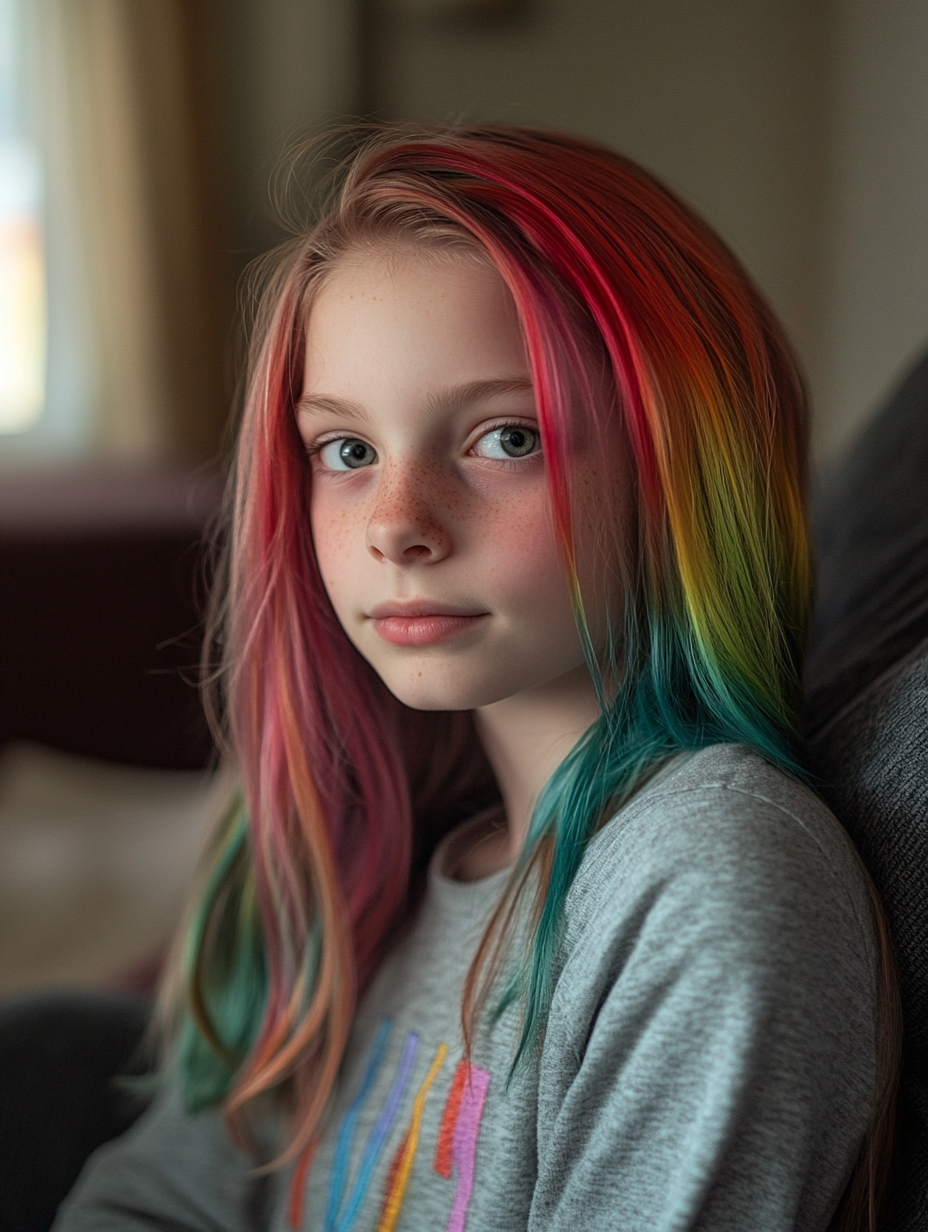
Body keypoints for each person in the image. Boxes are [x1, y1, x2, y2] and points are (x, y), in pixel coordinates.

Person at [54, 125, 897, 1232]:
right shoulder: (370, 858)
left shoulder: (703, 877)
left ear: (679, 464)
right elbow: (156, 1195)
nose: (398, 525)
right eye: (346, 451)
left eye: (505, 436)